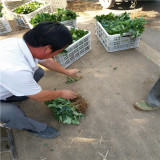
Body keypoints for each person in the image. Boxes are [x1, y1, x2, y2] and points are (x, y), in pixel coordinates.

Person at [0, 22, 79, 138]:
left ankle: (16, 94)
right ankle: (35, 128)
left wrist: (67, 72)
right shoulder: (16, 70)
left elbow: (47, 60)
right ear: (47, 49)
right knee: (12, 114)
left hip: (6, 81)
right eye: (59, 51)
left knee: (38, 72)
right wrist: (61, 93)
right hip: (11, 78)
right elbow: (39, 97)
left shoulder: (18, 43)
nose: (59, 53)